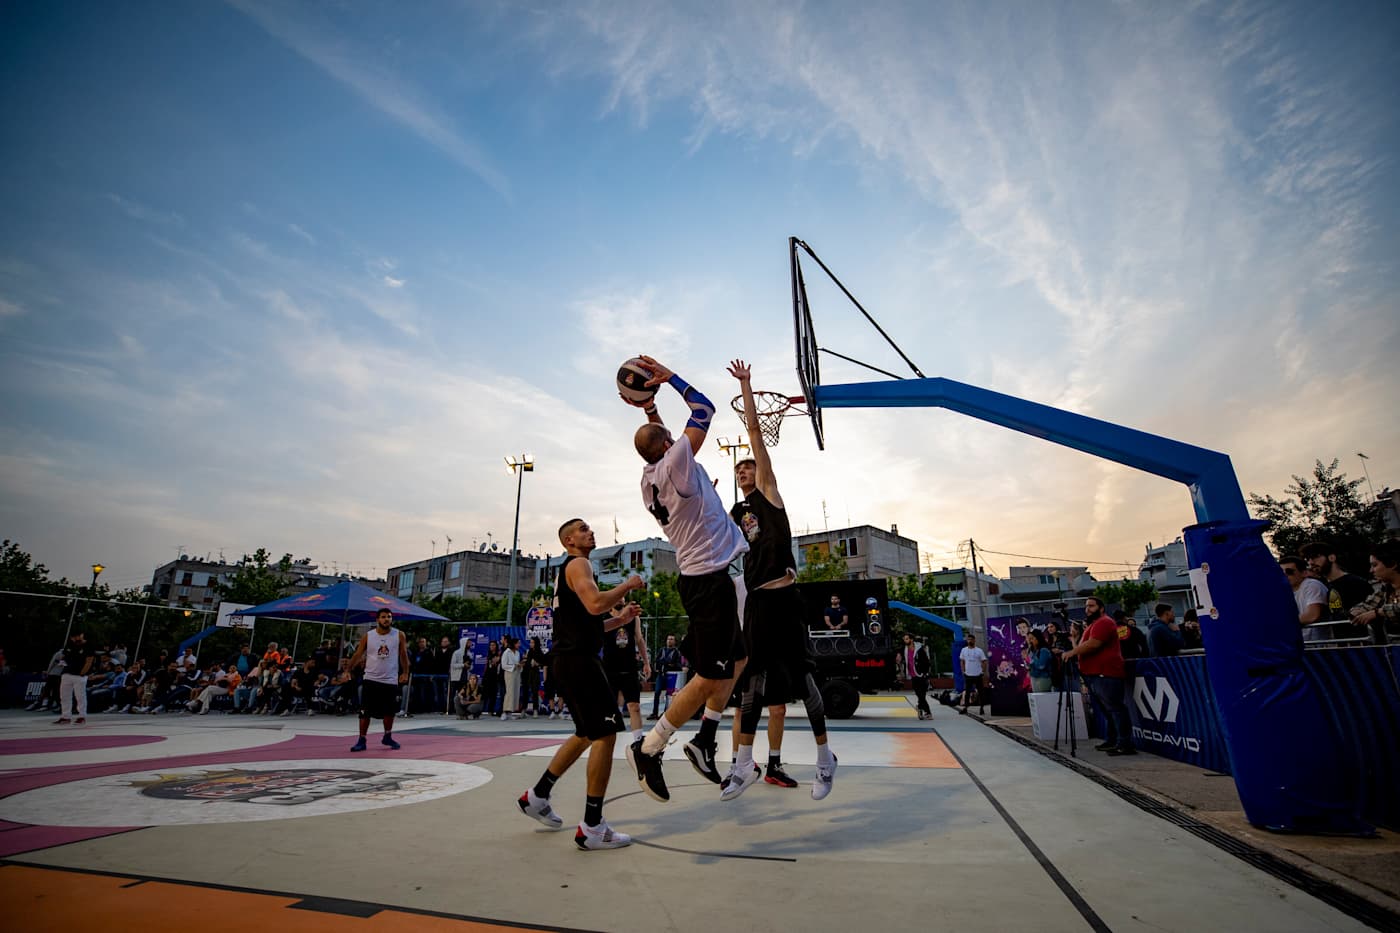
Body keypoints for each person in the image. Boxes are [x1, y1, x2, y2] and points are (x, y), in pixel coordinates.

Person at [621, 355, 750, 803]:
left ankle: (705, 740)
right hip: (710, 581)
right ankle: (651, 747)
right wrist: (668, 379)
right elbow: (704, 408)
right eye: (673, 438)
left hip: (708, 577)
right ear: (669, 445)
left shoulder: (650, 476)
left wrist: (650, 412)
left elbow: (662, 441)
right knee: (706, 677)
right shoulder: (678, 460)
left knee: (737, 663)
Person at [718, 358, 838, 800]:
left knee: (803, 681)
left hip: (786, 599)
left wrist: (747, 386)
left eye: (746, 468)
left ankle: (826, 759)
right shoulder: (736, 513)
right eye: (739, 471)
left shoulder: (768, 495)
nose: (743, 472)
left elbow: (753, 434)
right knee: (753, 678)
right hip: (758, 605)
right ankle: (743, 764)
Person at [517, 518, 645, 849]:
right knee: (605, 734)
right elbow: (595, 603)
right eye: (584, 528)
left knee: (586, 734)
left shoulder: (571, 572)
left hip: (568, 660)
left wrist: (621, 619)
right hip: (579, 663)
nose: (591, 531)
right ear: (569, 540)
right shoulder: (579, 565)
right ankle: (592, 826)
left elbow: (588, 622)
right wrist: (627, 585)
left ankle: (538, 795)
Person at [1062, 596, 1136, 756]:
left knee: (1115, 709)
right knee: (1109, 711)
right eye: (1086, 606)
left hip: (1106, 672)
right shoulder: (1094, 624)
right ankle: (1113, 740)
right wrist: (1075, 641)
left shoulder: (1104, 622)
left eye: (1091, 606)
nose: (1087, 609)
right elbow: (1083, 646)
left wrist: (1072, 652)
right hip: (1095, 673)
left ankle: (1125, 742)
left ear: (1101, 608)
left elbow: (1093, 644)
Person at [347, 608, 409, 751]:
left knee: (389, 711)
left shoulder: (399, 635)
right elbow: (357, 654)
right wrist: (347, 669)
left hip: (390, 679)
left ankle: (387, 736)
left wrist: (405, 672)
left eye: (389, 617)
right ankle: (361, 739)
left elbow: (403, 655)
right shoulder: (368, 636)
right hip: (371, 678)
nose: (386, 619)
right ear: (377, 620)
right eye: (383, 617)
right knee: (365, 711)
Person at [1300, 543, 1374, 641]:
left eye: (1314, 557)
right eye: (1307, 559)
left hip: (1363, 643)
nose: (1311, 562)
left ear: (1332, 557)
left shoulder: (1355, 583)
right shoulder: (1328, 586)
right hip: (1343, 644)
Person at [602, 603, 650, 743]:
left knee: (634, 706)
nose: (621, 598)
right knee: (609, 708)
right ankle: (606, 739)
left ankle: (638, 741)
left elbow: (639, 639)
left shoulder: (633, 618)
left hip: (629, 667)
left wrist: (646, 663)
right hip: (609, 668)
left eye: (623, 595)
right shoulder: (604, 618)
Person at [1350, 540, 1400, 645]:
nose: (1371, 570)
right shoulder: (1385, 588)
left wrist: (1377, 613)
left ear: (1392, 564)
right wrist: (1355, 612)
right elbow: (1368, 604)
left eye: (1374, 565)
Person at [1280, 555, 1329, 643]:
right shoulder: (1284, 592)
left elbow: (1312, 615)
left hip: (1319, 646)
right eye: (1280, 572)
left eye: (1289, 572)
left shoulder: (1312, 585)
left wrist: (1280, 622)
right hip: (1300, 645)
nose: (1284, 575)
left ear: (1304, 573)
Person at [55, 632, 95, 724]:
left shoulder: (88, 645)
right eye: (73, 636)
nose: (76, 638)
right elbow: (64, 657)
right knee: (64, 696)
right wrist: (63, 665)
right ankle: (65, 716)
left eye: (78, 636)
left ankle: (82, 716)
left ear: (82, 635)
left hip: (80, 675)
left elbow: (89, 660)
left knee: (80, 696)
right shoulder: (70, 644)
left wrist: (83, 673)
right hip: (67, 673)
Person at [650, 634, 683, 720]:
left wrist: (664, 662)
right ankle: (654, 712)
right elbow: (657, 660)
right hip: (661, 674)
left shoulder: (676, 652)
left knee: (669, 694)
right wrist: (667, 662)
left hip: (671, 675)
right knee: (657, 692)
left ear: (674, 641)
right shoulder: (662, 650)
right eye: (668, 639)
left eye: (672, 639)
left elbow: (676, 664)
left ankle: (666, 712)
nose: (669, 641)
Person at [902, 632, 932, 719]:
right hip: (913, 675)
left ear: (911, 639)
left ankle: (926, 712)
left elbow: (926, 662)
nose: (905, 641)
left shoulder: (919, 650)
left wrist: (925, 673)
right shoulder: (905, 649)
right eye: (904, 639)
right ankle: (922, 710)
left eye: (907, 639)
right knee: (919, 695)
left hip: (921, 675)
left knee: (921, 695)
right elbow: (898, 654)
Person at [958, 633, 987, 715]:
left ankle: (982, 708)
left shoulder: (979, 650)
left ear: (974, 640)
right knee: (967, 692)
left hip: (978, 674)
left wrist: (983, 671)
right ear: (967, 641)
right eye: (968, 639)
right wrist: (963, 671)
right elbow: (962, 661)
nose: (970, 641)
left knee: (981, 692)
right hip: (968, 675)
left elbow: (984, 661)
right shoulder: (964, 650)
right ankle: (965, 707)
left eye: (971, 639)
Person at [524, 636, 548, 716]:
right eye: (530, 642)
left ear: (536, 643)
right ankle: (524, 710)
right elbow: (527, 663)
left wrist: (537, 663)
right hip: (528, 674)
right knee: (526, 692)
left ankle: (535, 710)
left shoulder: (539, 652)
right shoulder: (529, 651)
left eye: (532, 642)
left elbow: (544, 663)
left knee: (535, 692)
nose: (531, 644)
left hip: (535, 674)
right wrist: (529, 662)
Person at [500, 636, 522, 719]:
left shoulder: (517, 653)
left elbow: (517, 663)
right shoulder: (507, 652)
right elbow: (503, 665)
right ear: (514, 644)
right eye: (518, 643)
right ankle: (504, 712)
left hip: (517, 674)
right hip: (509, 674)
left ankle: (510, 711)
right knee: (509, 692)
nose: (519, 645)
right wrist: (514, 666)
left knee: (515, 692)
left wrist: (520, 665)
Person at [481, 641, 501, 717]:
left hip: (495, 677)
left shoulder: (499, 654)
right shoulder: (488, 655)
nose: (492, 646)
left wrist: (497, 659)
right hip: (487, 676)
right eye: (490, 645)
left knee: (493, 694)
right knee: (485, 694)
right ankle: (480, 709)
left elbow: (498, 663)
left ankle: (490, 710)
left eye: (493, 645)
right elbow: (487, 666)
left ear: (496, 646)